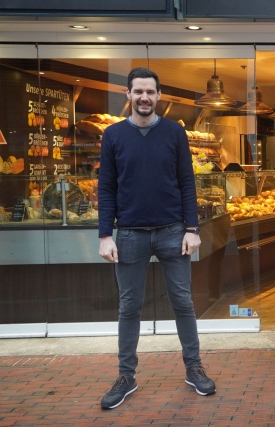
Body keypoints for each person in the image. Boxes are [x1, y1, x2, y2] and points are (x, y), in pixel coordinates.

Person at [97, 67, 216, 408]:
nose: (144, 97)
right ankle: (126, 376)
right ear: (129, 95)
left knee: (183, 303)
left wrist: (192, 229)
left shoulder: (174, 134)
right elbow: (106, 189)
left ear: (159, 95)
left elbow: (187, 183)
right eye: (138, 92)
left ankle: (194, 369)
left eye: (150, 92)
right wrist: (106, 234)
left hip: (172, 233)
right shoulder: (113, 135)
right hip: (130, 234)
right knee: (129, 307)